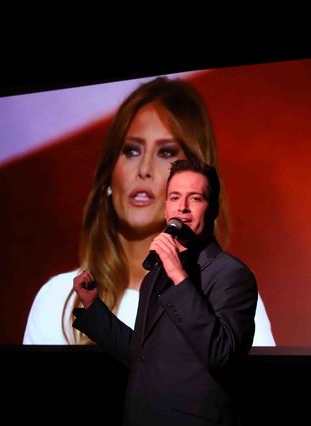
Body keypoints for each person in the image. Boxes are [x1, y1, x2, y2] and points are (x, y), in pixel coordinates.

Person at [23, 77, 275, 346]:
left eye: (166, 153)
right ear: (110, 174)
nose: (144, 169)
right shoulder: (59, 299)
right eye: (131, 150)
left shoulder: (226, 294)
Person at [73, 159, 256, 426]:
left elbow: (223, 353)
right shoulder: (155, 276)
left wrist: (178, 274)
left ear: (212, 209)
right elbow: (143, 355)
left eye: (195, 198)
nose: (182, 208)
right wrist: (93, 308)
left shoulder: (231, 275)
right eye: (174, 197)